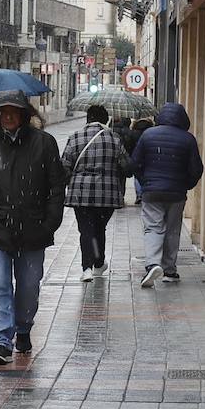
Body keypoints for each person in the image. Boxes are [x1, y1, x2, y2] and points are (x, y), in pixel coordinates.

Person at [0, 89, 66, 365]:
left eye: (13, 111)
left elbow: (56, 187)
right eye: (3, 112)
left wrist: (49, 223)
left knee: (28, 286)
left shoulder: (44, 144)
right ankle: (0, 340)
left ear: (23, 114)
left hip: (34, 230)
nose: (8, 117)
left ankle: (23, 328)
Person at [130, 101, 204, 287]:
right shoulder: (188, 139)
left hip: (151, 192)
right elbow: (196, 169)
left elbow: (135, 164)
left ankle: (153, 264)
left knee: (153, 227)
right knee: (172, 230)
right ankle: (169, 270)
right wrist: (186, 184)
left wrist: (145, 181)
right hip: (176, 193)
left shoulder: (148, 135)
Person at [62, 104, 130, 281]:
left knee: (86, 230)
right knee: (99, 228)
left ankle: (87, 268)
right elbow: (126, 167)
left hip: (80, 193)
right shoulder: (114, 138)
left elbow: (64, 166)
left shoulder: (75, 137)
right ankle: (98, 262)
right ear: (105, 119)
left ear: (87, 119)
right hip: (107, 194)